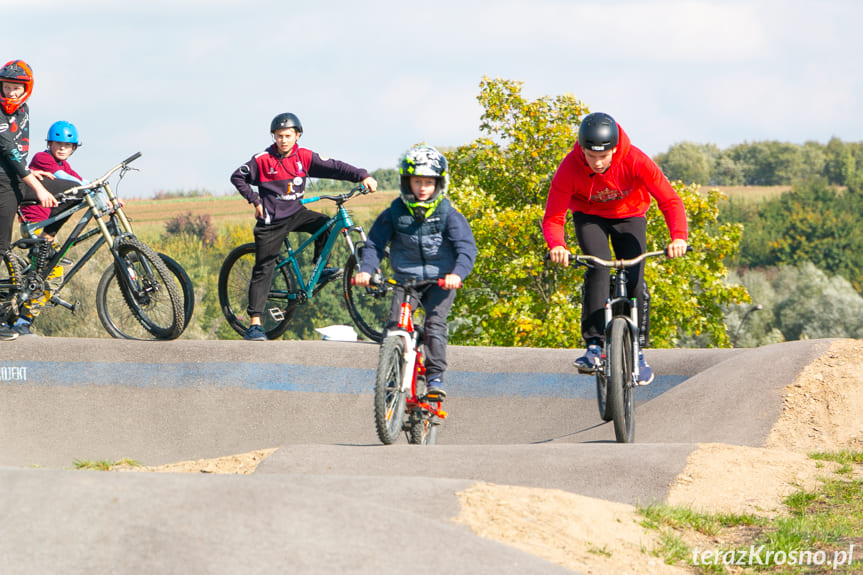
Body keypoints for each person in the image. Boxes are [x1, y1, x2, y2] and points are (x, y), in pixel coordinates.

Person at [543, 112, 688, 385]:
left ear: (614, 148)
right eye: (591, 156)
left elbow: (670, 200)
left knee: (635, 275)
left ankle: (638, 350)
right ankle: (594, 346)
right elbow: (553, 218)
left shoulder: (635, 160)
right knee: (597, 265)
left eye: (604, 156)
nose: (597, 163)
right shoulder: (569, 169)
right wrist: (558, 245)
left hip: (630, 215)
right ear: (582, 149)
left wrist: (678, 237)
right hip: (589, 216)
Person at [231, 112, 378, 341]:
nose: (283, 140)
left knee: (325, 224)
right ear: (274, 136)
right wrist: (256, 200)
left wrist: (362, 176)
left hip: (296, 213)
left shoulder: (304, 157)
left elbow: (335, 167)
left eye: (288, 135)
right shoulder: (262, 159)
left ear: (297, 135)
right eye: (279, 136)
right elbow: (237, 177)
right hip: (271, 220)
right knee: (264, 268)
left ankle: (321, 269)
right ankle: (255, 324)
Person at [353, 145, 477, 400]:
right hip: (406, 280)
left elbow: (466, 249)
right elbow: (375, 244)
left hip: (439, 282)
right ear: (406, 182)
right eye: (417, 181)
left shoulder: (448, 214)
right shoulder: (394, 213)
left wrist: (457, 274)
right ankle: (391, 379)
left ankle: (434, 378)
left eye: (429, 182)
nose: (422, 187)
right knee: (394, 327)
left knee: (434, 325)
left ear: (439, 184)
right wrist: (367, 270)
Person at [0, 60, 58, 341]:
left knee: (68, 190)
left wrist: (34, 173)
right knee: (0, 247)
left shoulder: (23, 110)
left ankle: (46, 240)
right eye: (6, 87)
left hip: (17, 178)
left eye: (15, 88)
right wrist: (37, 185)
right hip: (3, 184)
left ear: (26, 89)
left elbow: (19, 159)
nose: (10, 93)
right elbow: (9, 153)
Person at [12, 121, 85, 336]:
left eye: (67, 145)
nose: (62, 148)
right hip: (35, 226)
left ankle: (17, 316)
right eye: (58, 143)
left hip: (44, 229)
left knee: (45, 275)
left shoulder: (65, 166)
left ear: (73, 148)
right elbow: (69, 181)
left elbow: (76, 180)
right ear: (50, 144)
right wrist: (89, 186)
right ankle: (22, 321)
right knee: (52, 275)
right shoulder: (42, 158)